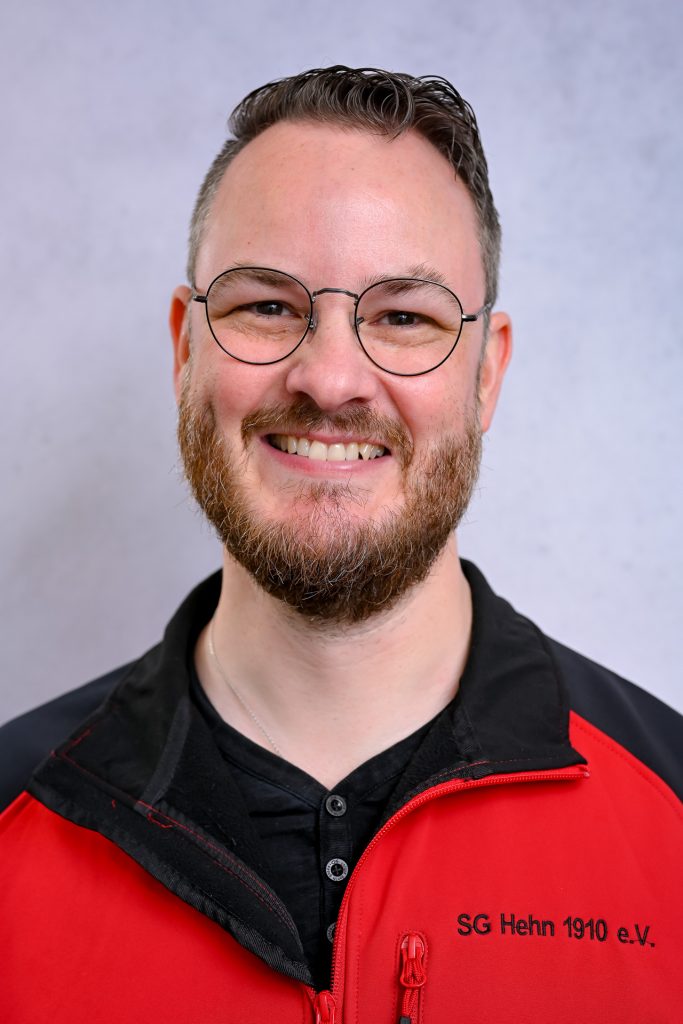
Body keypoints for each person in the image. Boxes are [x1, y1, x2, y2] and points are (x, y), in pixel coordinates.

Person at [0, 66, 680, 1023]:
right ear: (185, 349)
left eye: (403, 317)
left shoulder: (670, 812)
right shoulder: (14, 818)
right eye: (266, 306)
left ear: (486, 375)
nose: (328, 378)